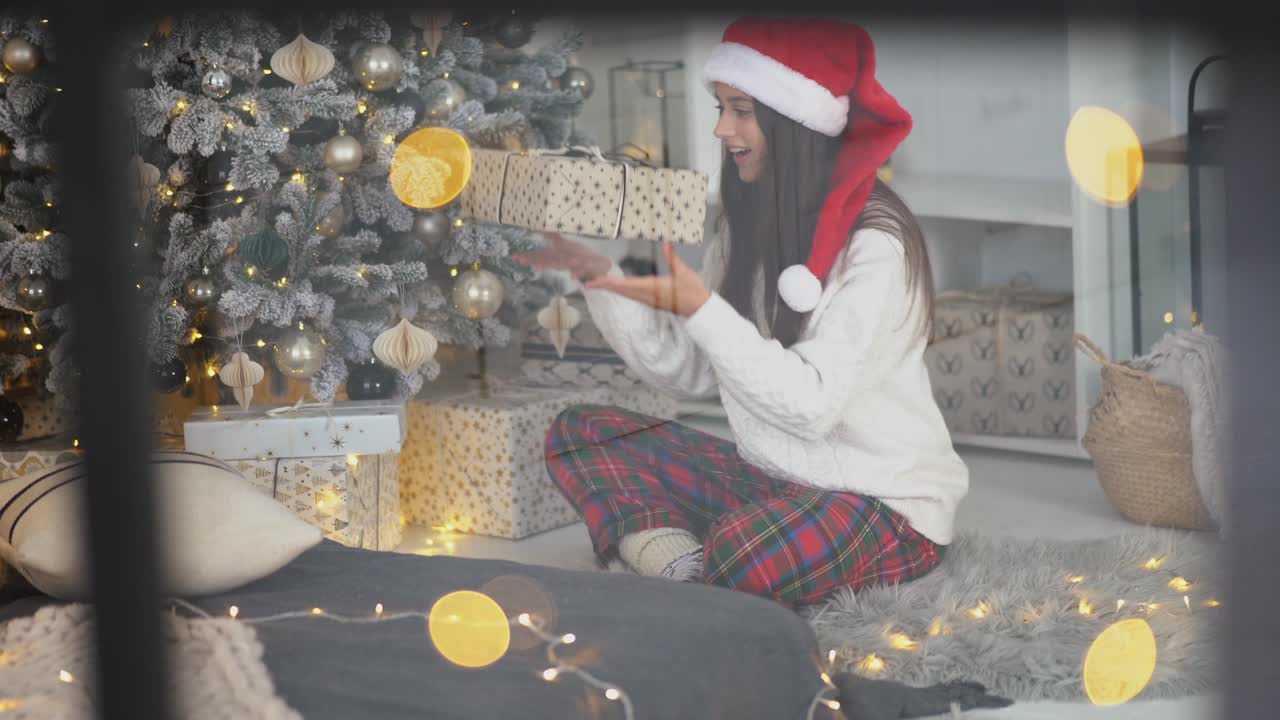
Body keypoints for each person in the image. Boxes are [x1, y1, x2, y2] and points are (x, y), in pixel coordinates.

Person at [521, 16, 969, 607]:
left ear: (794, 122)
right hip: (774, 481)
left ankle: (684, 559)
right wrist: (600, 278)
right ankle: (683, 569)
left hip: (880, 501)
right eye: (720, 107)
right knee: (580, 434)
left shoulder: (876, 244)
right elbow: (691, 371)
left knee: (743, 555)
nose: (722, 128)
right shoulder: (748, 223)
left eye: (740, 110)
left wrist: (703, 308)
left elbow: (810, 407)